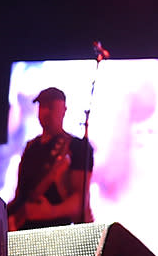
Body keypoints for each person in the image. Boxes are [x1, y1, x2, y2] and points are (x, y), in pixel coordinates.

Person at [7, 87, 94, 230]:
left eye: (51, 106)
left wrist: (51, 211)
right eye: (43, 106)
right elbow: (20, 194)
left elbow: (80, 201)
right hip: (20, 229)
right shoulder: (31, 146)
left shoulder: (78, 147)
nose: (46, 111)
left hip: (56, 233)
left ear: (63, 110)